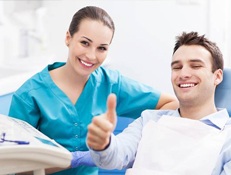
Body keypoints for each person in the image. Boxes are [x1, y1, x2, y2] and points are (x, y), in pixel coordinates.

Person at [8, 6, 178, 175]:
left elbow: (171, 104)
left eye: (101, 48)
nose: (91, 55)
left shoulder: (110, 83)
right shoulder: (29, 95)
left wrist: (129, 140)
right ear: (68, 38)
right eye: (85, 43)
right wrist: (74, 159)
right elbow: (18, 167)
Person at [87, 31, 231, 175]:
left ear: (218, 76)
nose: (184, 73)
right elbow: (114, 156)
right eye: (177, 67)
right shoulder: (149, 120)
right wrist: (103, 143)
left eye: (195, 66)